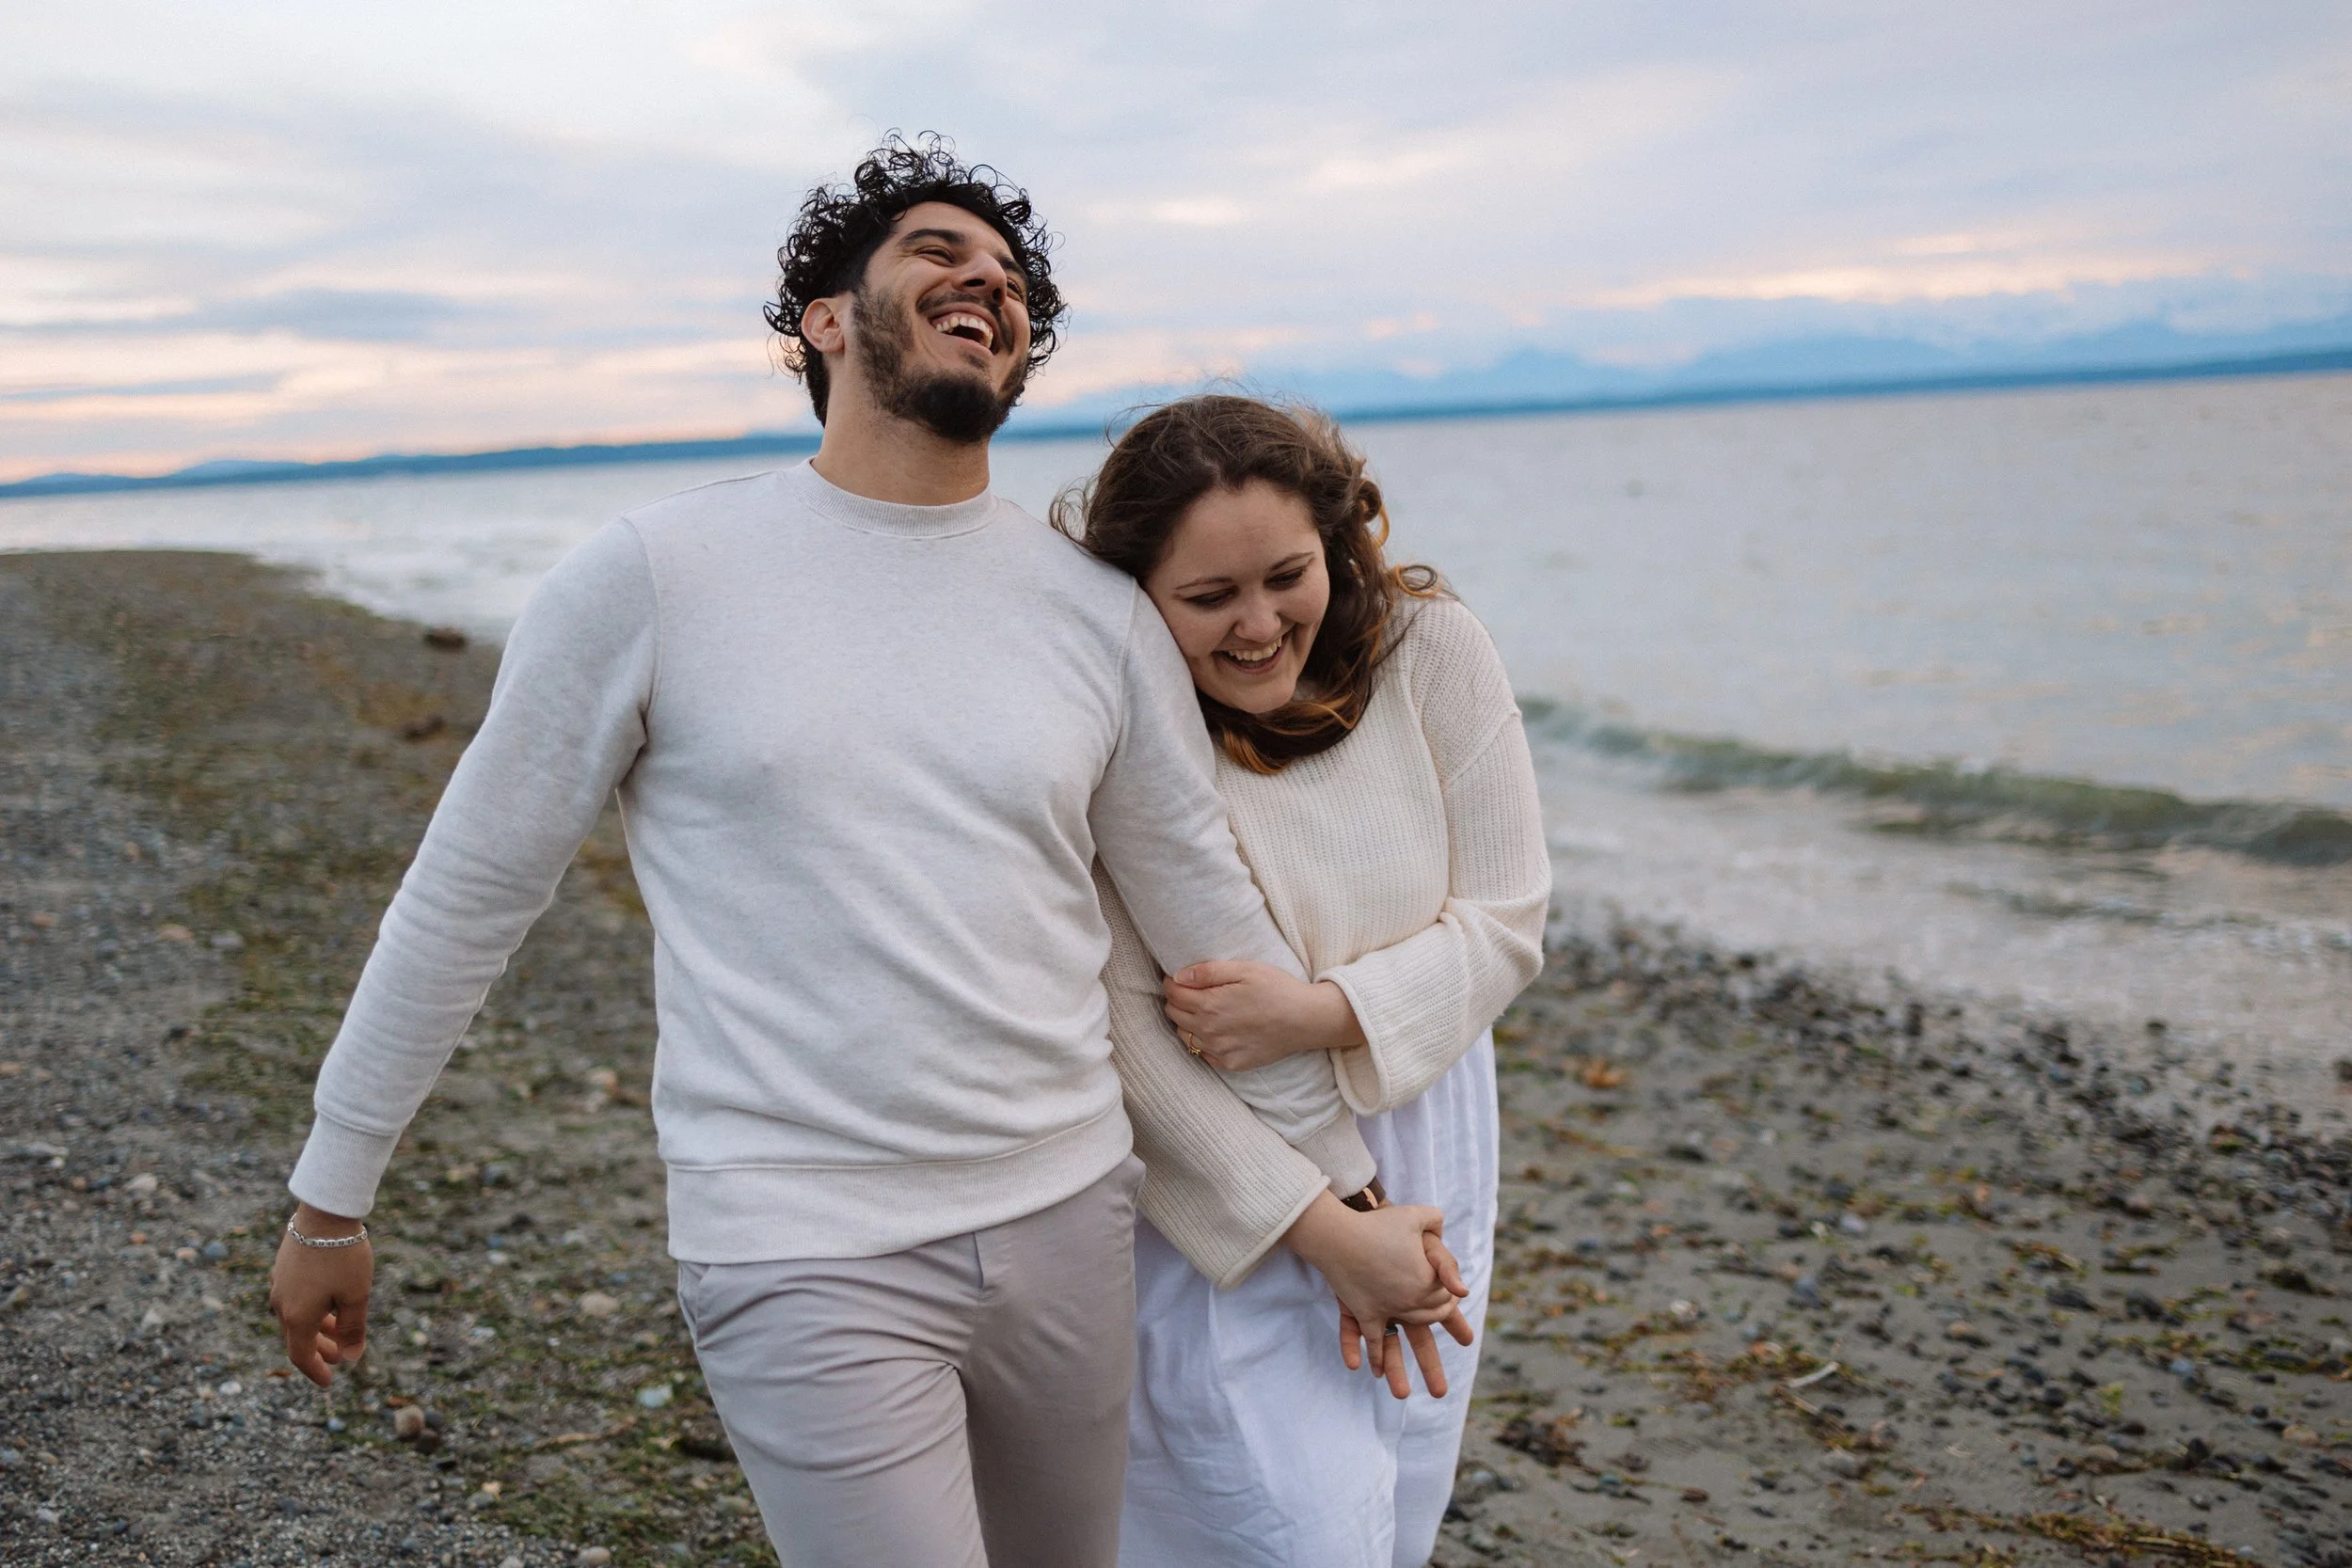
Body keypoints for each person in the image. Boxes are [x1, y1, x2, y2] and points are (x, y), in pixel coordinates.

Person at [262, 137, 1466, 1568]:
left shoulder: (1095, 612)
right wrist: (332, 1194)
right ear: (824, 320)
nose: (986, 282)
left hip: (1071, 1219)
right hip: (798, 1241)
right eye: (938, 252)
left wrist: (1348, 1200)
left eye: (1009, 277)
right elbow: (468, 894)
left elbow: (1209, 928)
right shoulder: (654, 576)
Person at [1061, 396, 1550, 1568]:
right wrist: (1322, 1226)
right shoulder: (1110, 724)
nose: (1257, 624)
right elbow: (1124, 1033)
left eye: (1287, 576)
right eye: (1208, 597)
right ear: (1137, 594)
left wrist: (1319, 1014)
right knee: (1276, 1527)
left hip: (1427, 1123)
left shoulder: (1432, 650)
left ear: (1335, 539)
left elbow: (1507, 918)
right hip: (1222, 1184)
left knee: (1404, 1497)